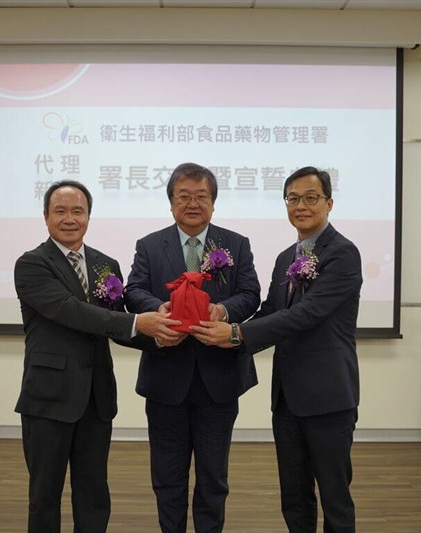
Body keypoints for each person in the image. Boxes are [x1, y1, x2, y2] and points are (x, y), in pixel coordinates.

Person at [191, 166, 362, 533]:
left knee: (335, 500)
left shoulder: (344, 254)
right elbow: (272, 311)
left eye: (311, 198)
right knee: (294, 498)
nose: (301, 206)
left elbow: (307, 314)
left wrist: (235, 334)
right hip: (287, 399)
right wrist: (218, 326)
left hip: (329, 398)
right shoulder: (287, 257)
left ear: (329, 203)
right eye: (293, 198)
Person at [14, 180, 180, 533]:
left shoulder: (106, 265)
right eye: (60, 211)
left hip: (96, 397)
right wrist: (140, 321)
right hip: (48, 397)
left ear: (89, 216)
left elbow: (116, 326)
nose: (70, 218)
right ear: (46, 217)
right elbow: (70, 311)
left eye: (78, 211)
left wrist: (162, 336)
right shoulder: (31, 264)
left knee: (94, 494)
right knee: (44, 495)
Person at [124, 163, 262, 533]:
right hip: (166, 378)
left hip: (218, 380)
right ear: (171, 203)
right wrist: (158, 309)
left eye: (201, 196)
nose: (192, 203)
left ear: (213, 203)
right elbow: (132, 290)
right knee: (167, 478)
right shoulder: (150, 245)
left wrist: (222, 309)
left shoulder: (235, 244)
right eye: (183, 196)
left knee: (214, 478)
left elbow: (251, 294)